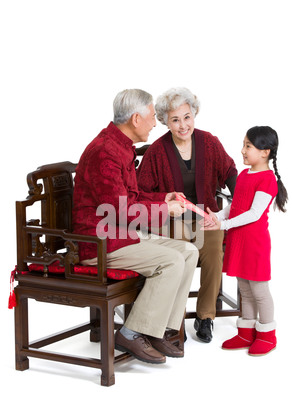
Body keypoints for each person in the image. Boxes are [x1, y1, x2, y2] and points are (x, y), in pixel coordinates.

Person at [72, 89, 199, 365]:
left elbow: (130, 198)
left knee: (189, 252)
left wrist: (163, 197)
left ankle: (158, 329)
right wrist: (166, 210)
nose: (156, 123)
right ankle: (131, 333)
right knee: (172, 261)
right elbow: (118, 211)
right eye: (153, 117)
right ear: (136, 118)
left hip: (123, 236)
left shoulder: (120, 146)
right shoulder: (105, 151)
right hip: (101, 242)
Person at [137, 87, 237, 343]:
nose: (183, 125)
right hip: (170, 221)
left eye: (187, 117)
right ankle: (174, 318)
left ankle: (206, 317)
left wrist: (240, 203)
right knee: (178, 254)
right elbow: (140, 192)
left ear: (194, 114)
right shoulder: (157, 151)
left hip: (206, 218)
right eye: (175, 119)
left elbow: (229, 171)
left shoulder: (210, 142)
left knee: (213, 250)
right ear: (165, 122)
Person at [202, 126, 288, 355]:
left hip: (255, 243)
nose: (242, 150)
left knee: (259, 289)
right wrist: (217, 216)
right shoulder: (243, 175)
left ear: (265, 152)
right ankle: (246, 332)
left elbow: (253, 214)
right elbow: (234, 207)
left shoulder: (267, 179)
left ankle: (268, 335)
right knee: (244, 288)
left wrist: (223, 225)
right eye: (244, 145)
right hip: (239, 239)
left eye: (248, 146)